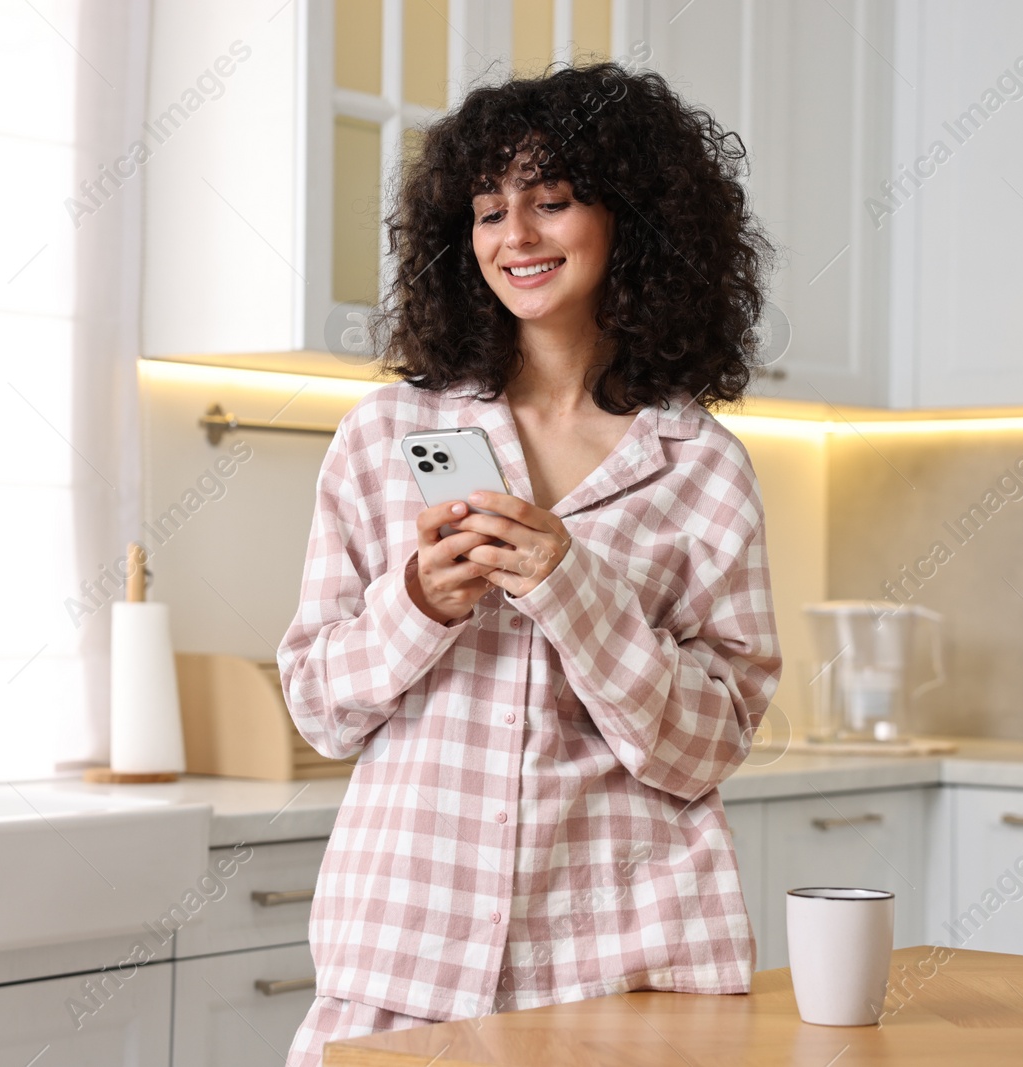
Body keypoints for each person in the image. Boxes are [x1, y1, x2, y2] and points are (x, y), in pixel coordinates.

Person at [280, 60, 782, 1066]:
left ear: (632, 222)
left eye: (550, 202)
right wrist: (418, 600)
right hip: (401, 952)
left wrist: (572, 587)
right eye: (487, 210)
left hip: (624, 962)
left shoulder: (699, 467)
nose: (514, 237)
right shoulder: (387, 434)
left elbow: (706, 748)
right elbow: (319, 708)